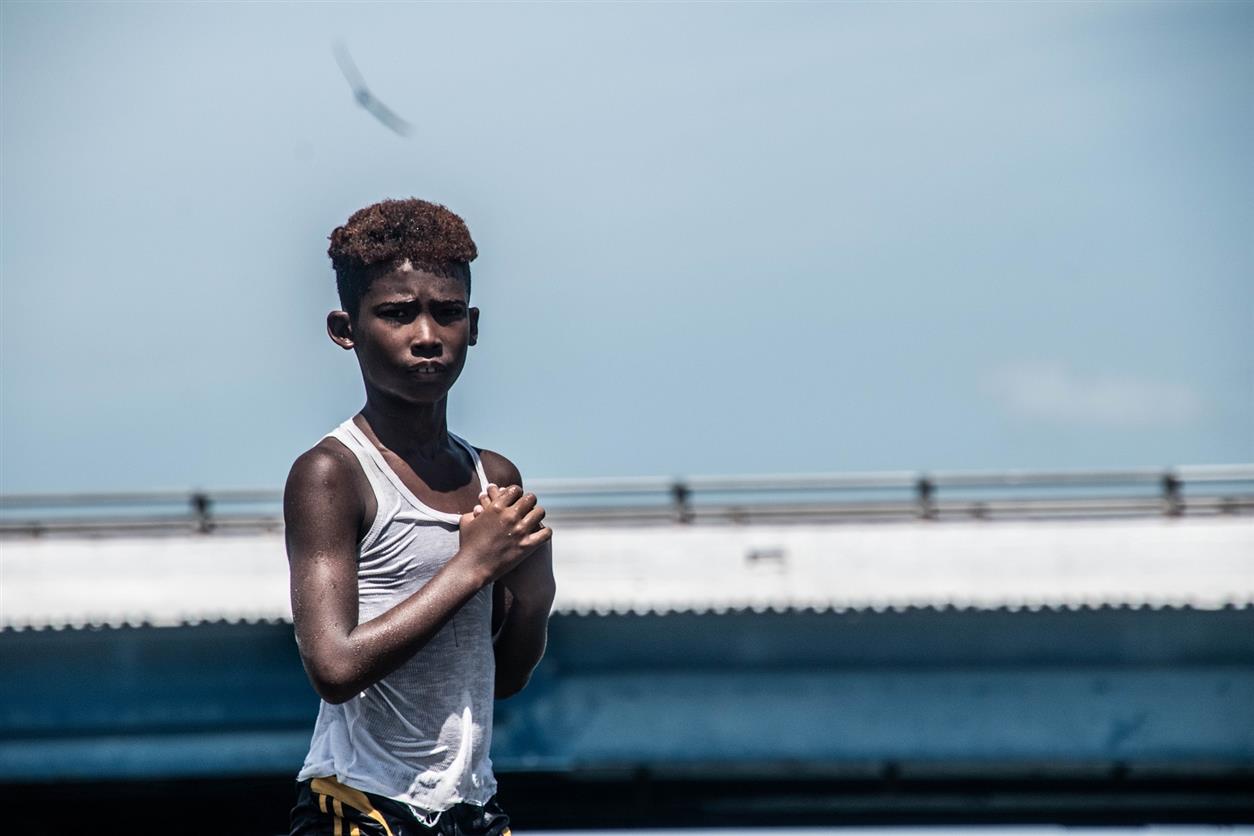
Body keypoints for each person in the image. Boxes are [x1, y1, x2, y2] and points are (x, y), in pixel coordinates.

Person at [285, 198, 555, 836]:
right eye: (398, 314)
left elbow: (506, 678)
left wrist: (535, 588)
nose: (428, 336)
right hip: (361, 807)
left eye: (448, 313)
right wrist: (475, 564)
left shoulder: (495, 479)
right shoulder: (332, 474)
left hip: (472, 810)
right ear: (345, 327)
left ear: (474, 324)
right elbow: (333, 668)